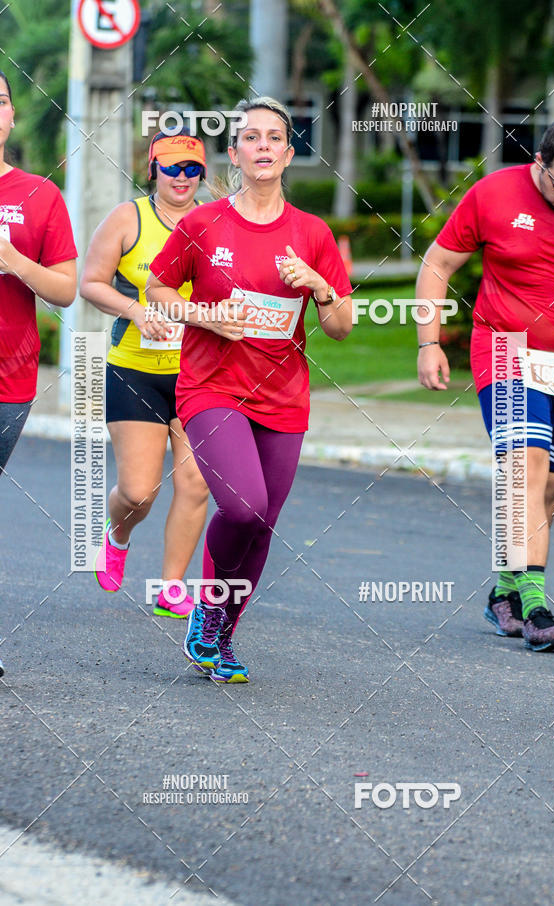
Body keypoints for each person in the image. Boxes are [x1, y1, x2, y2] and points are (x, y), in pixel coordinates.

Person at [146, 97, 353, 682]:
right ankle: (209, 614)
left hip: (283, 397)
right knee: (243, 505)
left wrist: (319, 285)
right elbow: (158, 290)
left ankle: (219, 632)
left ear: (288, 153)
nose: (263, 146)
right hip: (212, 387)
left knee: (262, 524)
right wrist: (204, 316)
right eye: (251, 137)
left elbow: (339, 329)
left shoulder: (311, 234)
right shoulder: (203, 224)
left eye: (274, 137)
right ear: (234, 154)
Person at [416, 115, 554, 652]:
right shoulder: (494, 194)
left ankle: (503, 592)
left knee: (544, 491)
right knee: (526, 469)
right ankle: (537, 608)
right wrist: (429, 341)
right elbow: (438, 262)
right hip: (506, 349)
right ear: (539, 163)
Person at [80, 130, 209, 618]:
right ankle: (118, 535)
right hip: (136, 370)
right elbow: (89, 283)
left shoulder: (214, 221)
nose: (182, 178)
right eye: (171, 168)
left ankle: (171, 585)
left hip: (200, 374)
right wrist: (135, 310)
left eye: (191, 168)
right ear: (153, 169)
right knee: (139, 492)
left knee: (196, 481)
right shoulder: (127, 217)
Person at [0, 70, 77, 676]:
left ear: (11, 116)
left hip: (10, 376)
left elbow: (67, 289)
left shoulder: (39, 197)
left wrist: (13, 260)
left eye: (0, 101)